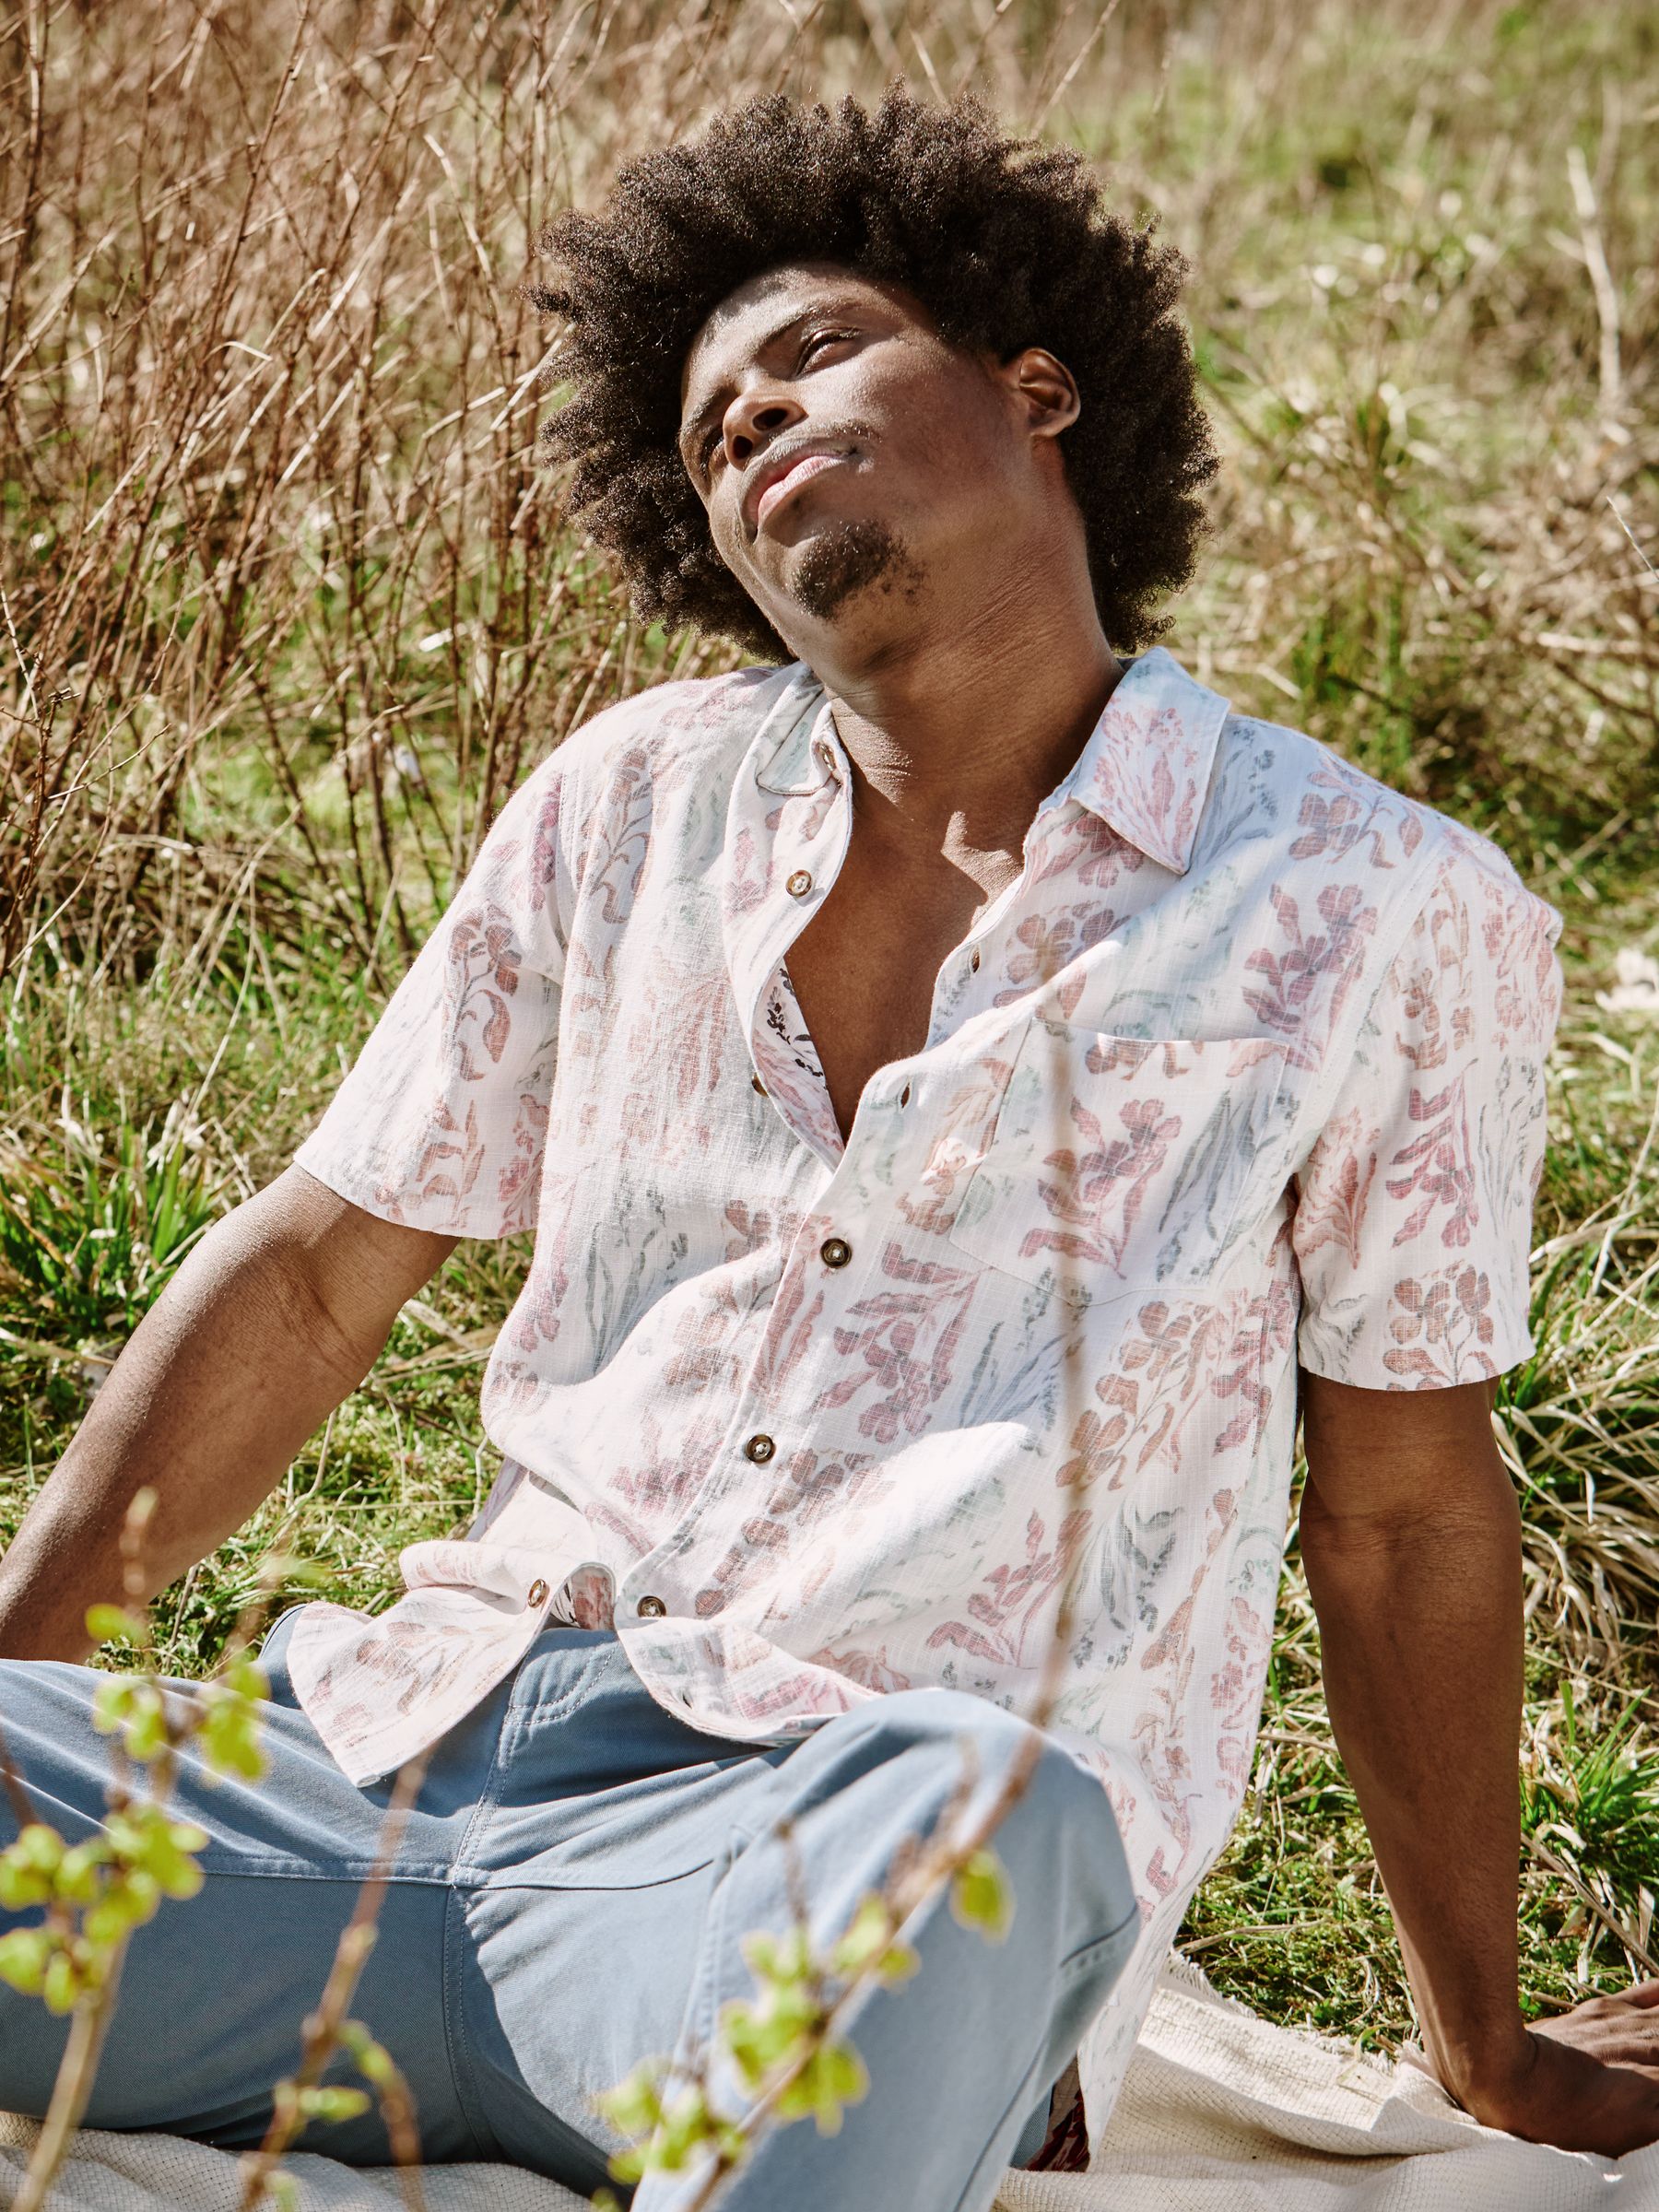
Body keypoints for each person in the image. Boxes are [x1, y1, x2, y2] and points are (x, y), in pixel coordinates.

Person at [1, 86, 1655, 2212]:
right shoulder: (629, 802)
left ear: (1036, 389)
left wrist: (1485, 2046)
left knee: (991, 1819)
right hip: (377, 1785)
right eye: (709, 435)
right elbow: (320, 1274)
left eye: (812, 355)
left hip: (823, 1864)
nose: (755, 423)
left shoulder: (1370, 901)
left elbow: (1405, 1511)